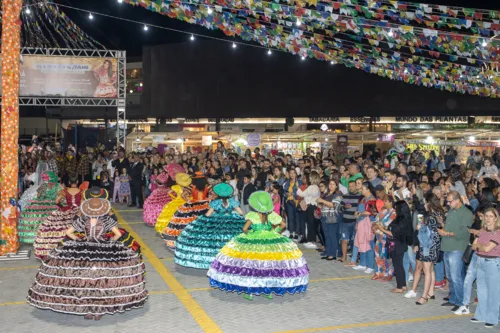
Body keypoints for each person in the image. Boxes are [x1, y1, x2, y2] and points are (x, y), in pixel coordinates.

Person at [27, 187, 148, 320]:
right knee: (102, 280)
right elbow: (118, 234)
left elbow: (68, 233)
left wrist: (78, 239)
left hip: (84, 249)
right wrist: (110, 241)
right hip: (103, 249)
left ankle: (88, 309)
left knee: (86, 280)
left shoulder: (83, 219)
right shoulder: (106, 220)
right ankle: (99, 310)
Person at [208, 191, 309, 300]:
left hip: (254, 240)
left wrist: (248, 234)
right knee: (267, 266)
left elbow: (244, 229)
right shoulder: (271, 215)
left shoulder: (253, 215)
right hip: (270, 240)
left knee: (253, 266)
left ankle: (250, 292)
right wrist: (275, 232)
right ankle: (267, 291)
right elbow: (283, 224)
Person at [174, 183, 246, 269]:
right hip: (231, 220)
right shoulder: (232, 202)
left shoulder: (215, 202)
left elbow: (208, 214)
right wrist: (231, 213)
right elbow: (241, 213)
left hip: (216, 220)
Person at [33, 175, 87, 260]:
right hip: (78, 212)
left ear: (69, 182)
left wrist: (62, 207)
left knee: (55, 228)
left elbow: (56, 201)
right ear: (77, 182)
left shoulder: (65, 191)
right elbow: (82, 204)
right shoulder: (82, 191)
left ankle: (54, 251)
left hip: (66, 210)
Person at [438, 191, 473, 311]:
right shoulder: (452, 211)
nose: (448, 203)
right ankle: (453, 298)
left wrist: (446, 233)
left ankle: (460, 301)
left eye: (450, 201)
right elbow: (451, 227)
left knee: (456, 276)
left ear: (458, 200)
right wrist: (443, 226)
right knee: (449, 276)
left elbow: (464, 232)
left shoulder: (466, 213)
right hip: (447, 246)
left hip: (457, 248)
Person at [405, 193, 442, 304]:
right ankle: (430, 292)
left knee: (427, 271)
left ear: (429, 203)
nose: (424, 204)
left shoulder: (429, 216)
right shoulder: (437, 214)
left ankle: (424, 296)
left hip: (427, 246)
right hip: (430, 246)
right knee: (430, 270)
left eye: (426, 202)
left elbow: (424, 231)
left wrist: (420, 228)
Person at [162, 172, 210, 250]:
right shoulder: (207, 186)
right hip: (205, 204)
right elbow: (212, 195)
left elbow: (182, 195)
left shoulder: (191, 187)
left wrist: (188, 201)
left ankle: (189, 239)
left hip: (193, 205)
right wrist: (208, 200)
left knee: (189, 222)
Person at [470, 207, 500, 328]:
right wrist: (481, 246)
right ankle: (481, 315)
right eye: (486, 216)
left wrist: (479, 246)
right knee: (481, 290)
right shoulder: (482, 230)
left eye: (490, 216)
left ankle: (493, 318)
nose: (488, 219)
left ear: (496, 218)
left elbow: (488, 249)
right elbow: (473, 246)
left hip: (492, 263)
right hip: (480, 261)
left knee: (494, 292)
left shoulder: (498, 232)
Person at [378, 200, 413, 293]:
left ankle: (399, 287)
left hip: (396, 245)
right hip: (401, 244)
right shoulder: (406, 218)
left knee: (397, 266)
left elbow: (393, 233)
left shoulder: (400, 220)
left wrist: (381, 228)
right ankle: (403, 285)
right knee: (400, 266)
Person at [18, 171, 62, 244]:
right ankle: (49, 238)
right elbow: (60, 197)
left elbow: (38, 196)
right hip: (53, 204)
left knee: (36, 219)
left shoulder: (43, 186)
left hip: (40, 203)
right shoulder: (58, 186)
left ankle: (37, 237)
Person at [316, 179, 343, 261]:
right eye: (330, 184)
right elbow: (322, 204)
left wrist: (322, 201)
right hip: (324, 216)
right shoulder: (326, 194)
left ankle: (333, 254)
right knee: (327, 236)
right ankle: (328, 252)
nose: (331, 186)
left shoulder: (337, 194)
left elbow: (334, 205)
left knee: (332, 236)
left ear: (336, 186)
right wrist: (320, 204)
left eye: (333, 184)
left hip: (332, 217)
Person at [373, 196, 396, 281]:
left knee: (386, 256)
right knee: (378, 255)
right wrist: (374, 226)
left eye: (386, 201)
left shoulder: (394, 213)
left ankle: (388, 274)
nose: (384, 203)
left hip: (387, 238)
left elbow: (386, 224)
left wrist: (378, 226)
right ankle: (379, 272)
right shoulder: (383, 211)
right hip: (379, 237)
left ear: (391, 202)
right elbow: (376, 220)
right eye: (384, 201)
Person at [297, 170, 322, 249]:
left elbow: (301, 193)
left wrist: (298, 187)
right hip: (313, 206)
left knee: (311, 224)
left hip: (311, 206)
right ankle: (311, 240)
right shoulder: (316, 187)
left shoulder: (312, 187)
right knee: (311, 224)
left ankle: (312, 241)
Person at [283, 168, 302, 240]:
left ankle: (297, 233)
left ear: (296, 174)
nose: (292, 174)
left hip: (297, 202)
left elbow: (301, 192)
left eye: (294, 173)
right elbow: (284, 191)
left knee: (297, 218)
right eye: (291, 173)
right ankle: (291, 232)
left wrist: (293, 193)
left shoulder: (299, 182)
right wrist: (287, 193)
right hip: (289, 202)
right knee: (290, 218)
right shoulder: (287, 182)